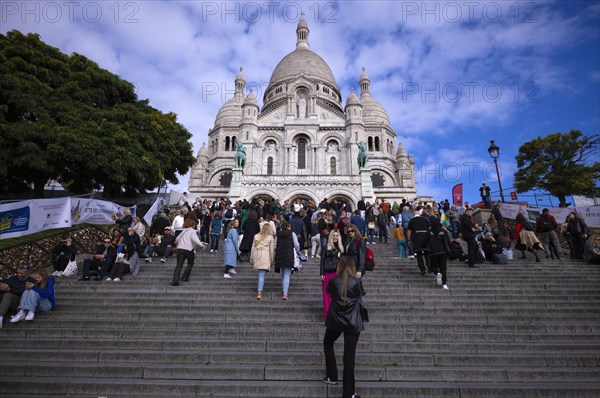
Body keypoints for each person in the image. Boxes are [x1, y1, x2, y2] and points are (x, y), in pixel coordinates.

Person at [322, 255, 366, 398]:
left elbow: (330, 293)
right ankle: (349, 393)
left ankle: (332, 375)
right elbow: (361, 296)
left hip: (336, 319)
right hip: (353, 320)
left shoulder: (333, 281)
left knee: (328, 342)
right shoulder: (357, 282)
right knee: (349, 357)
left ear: (339, 265)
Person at [172, 219, 206, 286]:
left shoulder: (183, 231)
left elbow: (176, 239)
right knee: (190, 263)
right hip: (188, 249)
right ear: (192, 225)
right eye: (194, 225)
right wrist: (202, 245)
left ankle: (175, 280)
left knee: (179, 265)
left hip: (180, 249)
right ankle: (185, 277)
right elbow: (195, 239)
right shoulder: (192, 231)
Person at [0, 263, 35, 328]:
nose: (19, 275)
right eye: (18, 273)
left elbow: (24, 293)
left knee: (8, 294)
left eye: (22, 273)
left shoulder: (31, 280)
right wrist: (2, 288)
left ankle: (0, 317)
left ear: (27, 273)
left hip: (21, 303)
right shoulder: (12, 278)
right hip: (8, 302)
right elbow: (6, 288)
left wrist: (9, 289)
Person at [320, 230, 344, 319]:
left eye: (336, 236)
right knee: (327, 295)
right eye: (333, 235)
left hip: (337, 273)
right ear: (330, 236)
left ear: (339, 237)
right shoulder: (326, 246)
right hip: (327, 273)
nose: (335, 237)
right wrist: (321, 273)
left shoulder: (341, 248)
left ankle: (336, 314)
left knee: (336, 295)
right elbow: (322, 260)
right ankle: (328, 315)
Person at [251, 223, 275, 300]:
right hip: (265, 257)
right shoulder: (270, 237)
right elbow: (271, 250)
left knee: (261, 274)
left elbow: (252, 247)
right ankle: (259, 291)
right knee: (262, 275)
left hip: (257, 256)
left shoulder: (256, 236)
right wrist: (272, 259)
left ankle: (259, 291)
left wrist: (251, 257)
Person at [274, 221, 295, 300]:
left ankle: (284, 290)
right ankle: (285, 293)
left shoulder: (278, 235)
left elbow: (275, 246)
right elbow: (296, 244)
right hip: (289, 255)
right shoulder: (291, 234)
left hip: (280, 255)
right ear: (288, 227)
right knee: (287, 274)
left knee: (283, 274)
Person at [428, 218, 451, 289]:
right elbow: (447, 241)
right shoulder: (443, 231)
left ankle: (437, 273)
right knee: (443, 268)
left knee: (433, 266)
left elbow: (425, 241)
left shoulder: (429, 231)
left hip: (433, 252)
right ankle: (444, 284)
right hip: (442, 251)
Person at [407, 208, 431, 274]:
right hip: (426, 238)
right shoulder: (425, 219)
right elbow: (430, 228)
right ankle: (429, 266)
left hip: (416, 238)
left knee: (419, 254)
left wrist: (409, 240)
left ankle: (422, 269)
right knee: (427, 253)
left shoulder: (411, 221)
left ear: (413, 214)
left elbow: (409, 231)